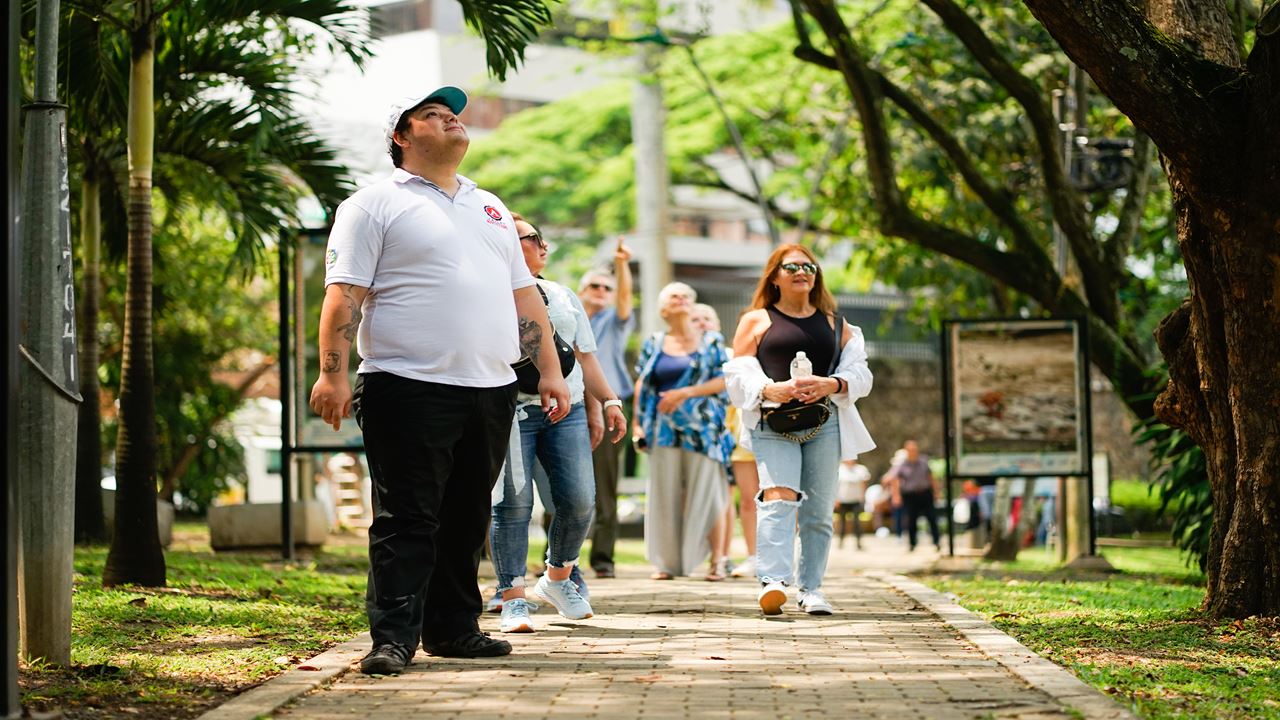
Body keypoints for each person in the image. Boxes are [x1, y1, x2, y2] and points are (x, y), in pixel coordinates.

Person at [309, 86, 570, 676]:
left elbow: (523, 295)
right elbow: (344, 294)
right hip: (406, 383)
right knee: (408, 517)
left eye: (453, 113)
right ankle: (393, 637)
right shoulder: (373, 205)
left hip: (490, 386)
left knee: (468, 516)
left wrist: (549, 370)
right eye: (431, 115)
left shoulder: (491, 207)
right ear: (401, 137)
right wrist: (332, 374)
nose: (451, 119)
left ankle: (453, 630)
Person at [489, 215, 626, 633]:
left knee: (580, 500)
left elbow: (586, 356)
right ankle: (512, 595)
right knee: (512, 505)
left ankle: (557, 578)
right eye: (528, 238)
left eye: (532, 238)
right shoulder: (487, 293)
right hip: (512, 410)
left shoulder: (564, 296)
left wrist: (609, 401)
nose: (536, 245)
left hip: (566, 412)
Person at [725, 244, 874, 616]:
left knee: (820, 511)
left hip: (824, 423)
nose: (801, 271)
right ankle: (773, 581)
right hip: (772, 422)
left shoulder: (834, 324)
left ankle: (812, 589)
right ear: (775, 275)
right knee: (778, 498)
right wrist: (767, 389)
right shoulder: (756, 320)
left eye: (808, 265)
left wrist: (833, 384)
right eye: (791, 266)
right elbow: (737, 372)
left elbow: (861, 374)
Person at [632, 282, 734, 580]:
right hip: (662, 430)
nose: (681, 299)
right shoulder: (654, 341)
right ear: (663, 309)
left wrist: (686, 392)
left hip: (704, 430)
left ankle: (717, 560)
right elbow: (644, 385)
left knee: (710, 495)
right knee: (664, 495)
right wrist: (639, 424)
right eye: (673, 295)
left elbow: (725, 381)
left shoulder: (712, 341)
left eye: (686, 295)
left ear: (693, 306)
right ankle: (665, 562)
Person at [578, 240, 634, 579]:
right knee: (560, 481)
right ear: (581, 291)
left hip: (610, 404)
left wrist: (621, 265)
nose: (601, 291)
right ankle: (557, 558)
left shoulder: (615, 321)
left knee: (605, 483)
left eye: (606, 288)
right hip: (568, 404)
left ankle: (602, 559)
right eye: (594, 286)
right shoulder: (567, 318)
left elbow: (626, 300)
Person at [690, 302, 732, 580]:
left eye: (707, 318)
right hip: (686, 433)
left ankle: (722, 557)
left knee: (722, 496)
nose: (702, 322)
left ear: (717, 324)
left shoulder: (727, 355)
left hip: (719, 431)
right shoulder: (681, 352)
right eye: (696, 318)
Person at [887, 440, 941, 552]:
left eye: (914, 450)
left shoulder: (924, 461)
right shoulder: (902, 464)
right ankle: (912, 544)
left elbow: (931, 477)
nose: (913, 452)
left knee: (932, 518)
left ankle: (936, 542)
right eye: (910, 450)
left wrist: (936, 492)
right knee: (912, 520)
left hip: (925, 493)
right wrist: (896, 495)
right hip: (910, 495)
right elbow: (894, 479)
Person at [835, 459, 870, 550]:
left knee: (856, 522)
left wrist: (863, 497)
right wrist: (836, 499)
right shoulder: (840, 469)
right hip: (843, 500)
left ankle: (858, 543)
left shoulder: (861, 469)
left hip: (856, 500)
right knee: (842, 522)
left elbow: (864, 484)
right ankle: (841, 541)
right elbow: (836, 485)